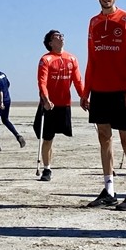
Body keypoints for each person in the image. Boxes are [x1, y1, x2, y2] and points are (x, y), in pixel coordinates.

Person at [80, 0, 126, 211]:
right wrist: (86, 91)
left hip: (122, 90)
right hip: (100, 90)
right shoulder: (94, 22)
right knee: (104, 137)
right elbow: (92, 58)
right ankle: (109, 190)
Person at [33, 30, 85, 182]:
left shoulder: (72, 58)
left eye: (62, 35)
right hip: (50, 105)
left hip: (65, 104)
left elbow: (77, 81)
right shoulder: (46, 59)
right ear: (50, 43)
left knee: (60, 135)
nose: (61, 37)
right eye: (57, 36)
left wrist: (83, 97)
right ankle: (47, 169)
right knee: (48, 138)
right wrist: (46, 99)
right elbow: (41, 81)